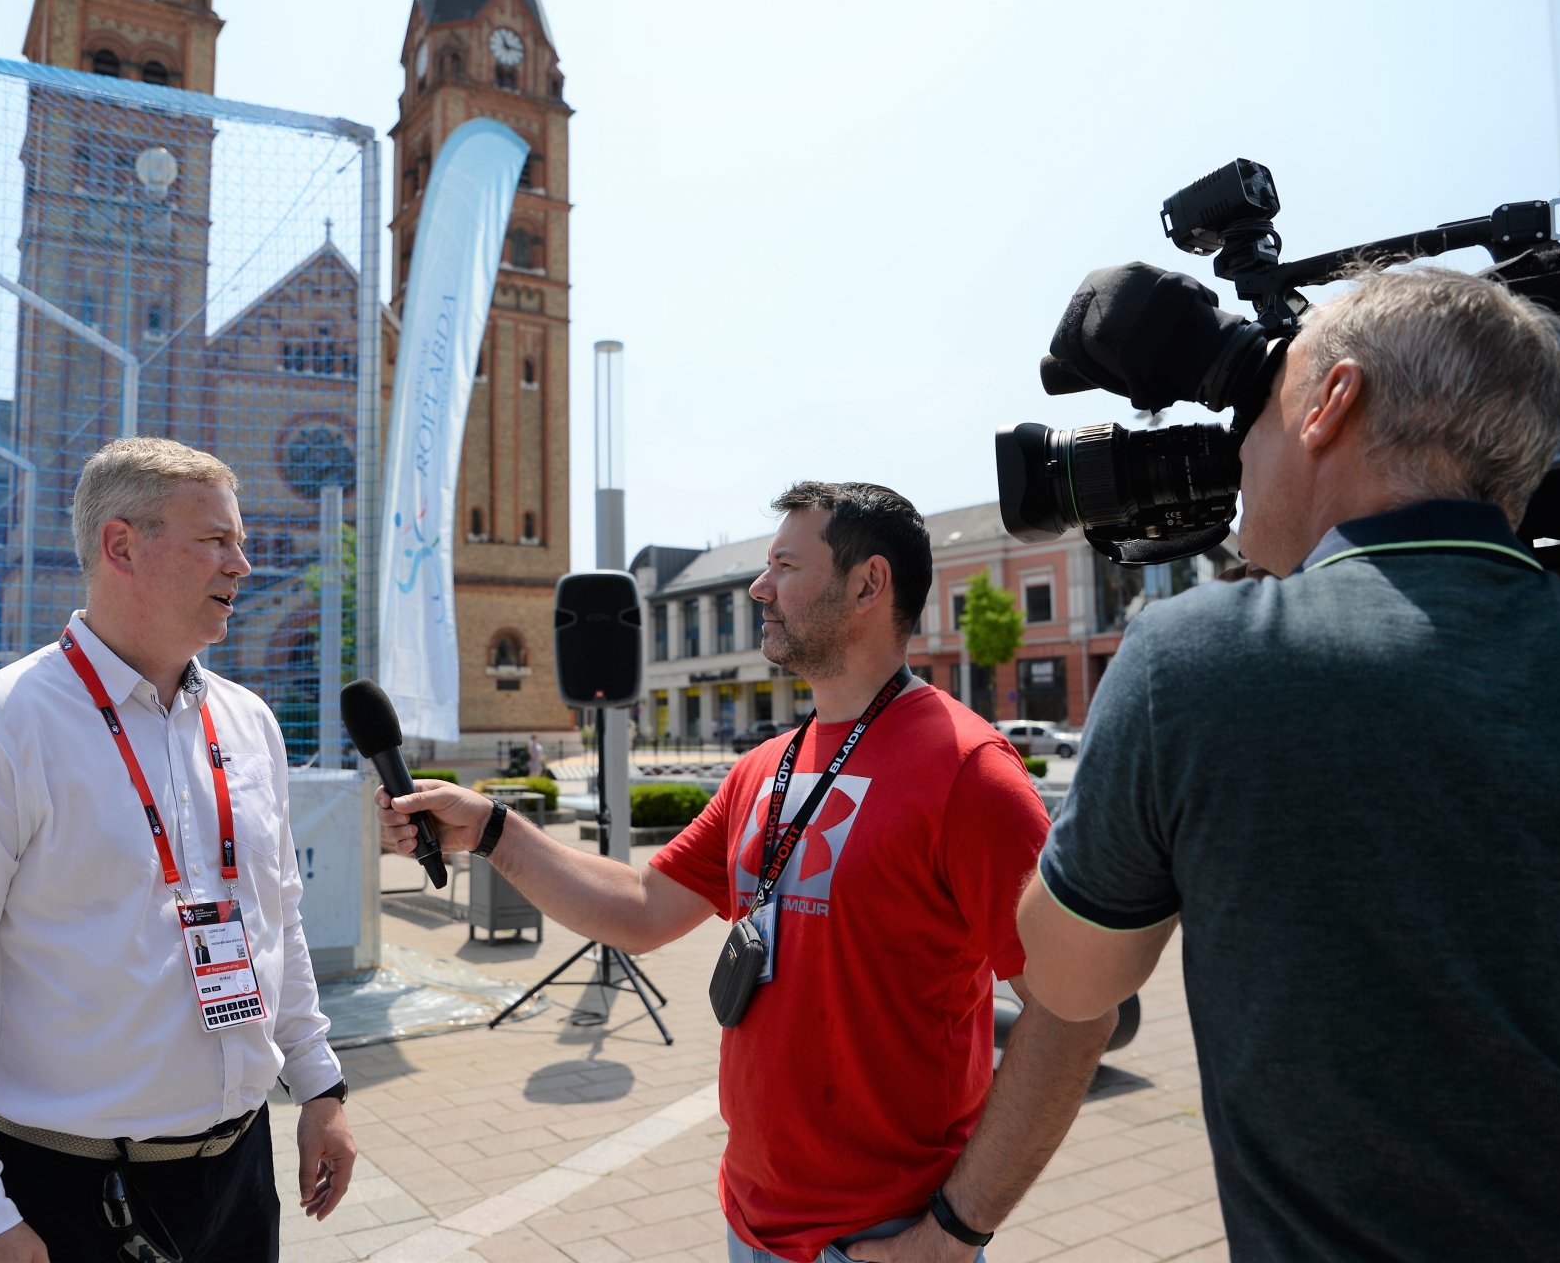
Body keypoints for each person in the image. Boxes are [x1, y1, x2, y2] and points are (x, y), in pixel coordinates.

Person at [1017, 267, 1560, 1261]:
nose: (1241, 456)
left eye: (1258, 414)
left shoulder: (1196, 657)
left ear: (1331, 404)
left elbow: (1066, 972)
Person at [381, 481, 1116, 1261]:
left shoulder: (969, 772)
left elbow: (1074, 1012)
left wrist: (953, 1234)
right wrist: (495, 830)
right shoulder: (765, 766)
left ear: (868, 583)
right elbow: (642, 906)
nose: (760, 588)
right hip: (750, 1219)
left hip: (886, 1236)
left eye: (784, 566)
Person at [0, 438, 356, 1263]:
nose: (243, 565)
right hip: (73, 1195)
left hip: (241, 1174)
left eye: (238, 542)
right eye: (215, 541)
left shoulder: (248, 722)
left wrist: (319, 1084)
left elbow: (278, 916)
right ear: (121, 545)